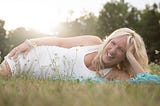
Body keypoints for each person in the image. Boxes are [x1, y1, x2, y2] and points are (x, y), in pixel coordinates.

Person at [0, 28, 149, 80]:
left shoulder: (113, 74)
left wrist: (131, 56)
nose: (112, 50)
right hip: (31, 57)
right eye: (113, 43)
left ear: (125, 57)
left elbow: (147, 84)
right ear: (108, 40)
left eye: (121, 50)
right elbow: (59, 42)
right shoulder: (93, 42)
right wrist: (30, 43)